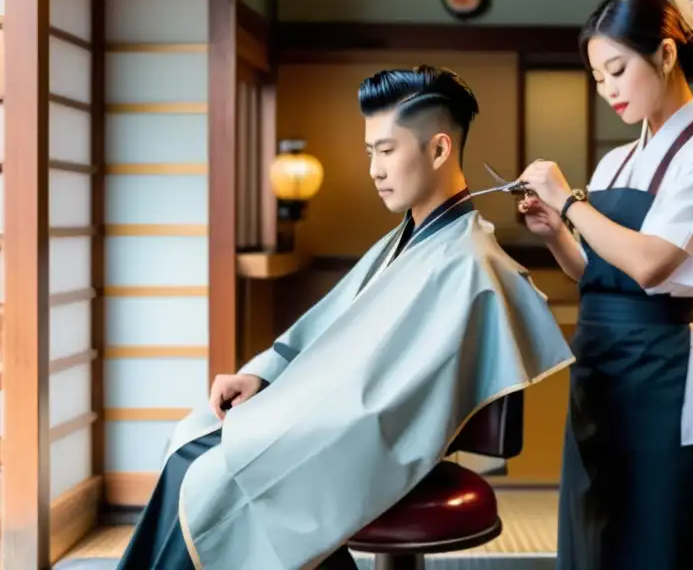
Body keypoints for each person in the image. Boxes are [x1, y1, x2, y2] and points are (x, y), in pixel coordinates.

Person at [117, 66, 574, 570]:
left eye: (386, 150)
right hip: (339, 420)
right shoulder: (408, 239)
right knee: (192, 435)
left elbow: (399, 403)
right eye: (369, 153)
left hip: (374, 438)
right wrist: (263, 374)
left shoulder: (471, 263)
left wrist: (291, 411)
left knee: (209, 475)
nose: (374, 169)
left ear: (439, 149)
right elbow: (326, 330)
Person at [516, 0, 693, 569]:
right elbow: (595, 273)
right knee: (591, 532)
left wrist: (570, 204)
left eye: (617, 70)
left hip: (657, 370)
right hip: (597, 364)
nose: (609, 90)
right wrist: (555, 233)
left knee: (652, 537)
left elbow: (649, 265)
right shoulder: (615, 160)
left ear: (666, 55)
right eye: (598, 78)